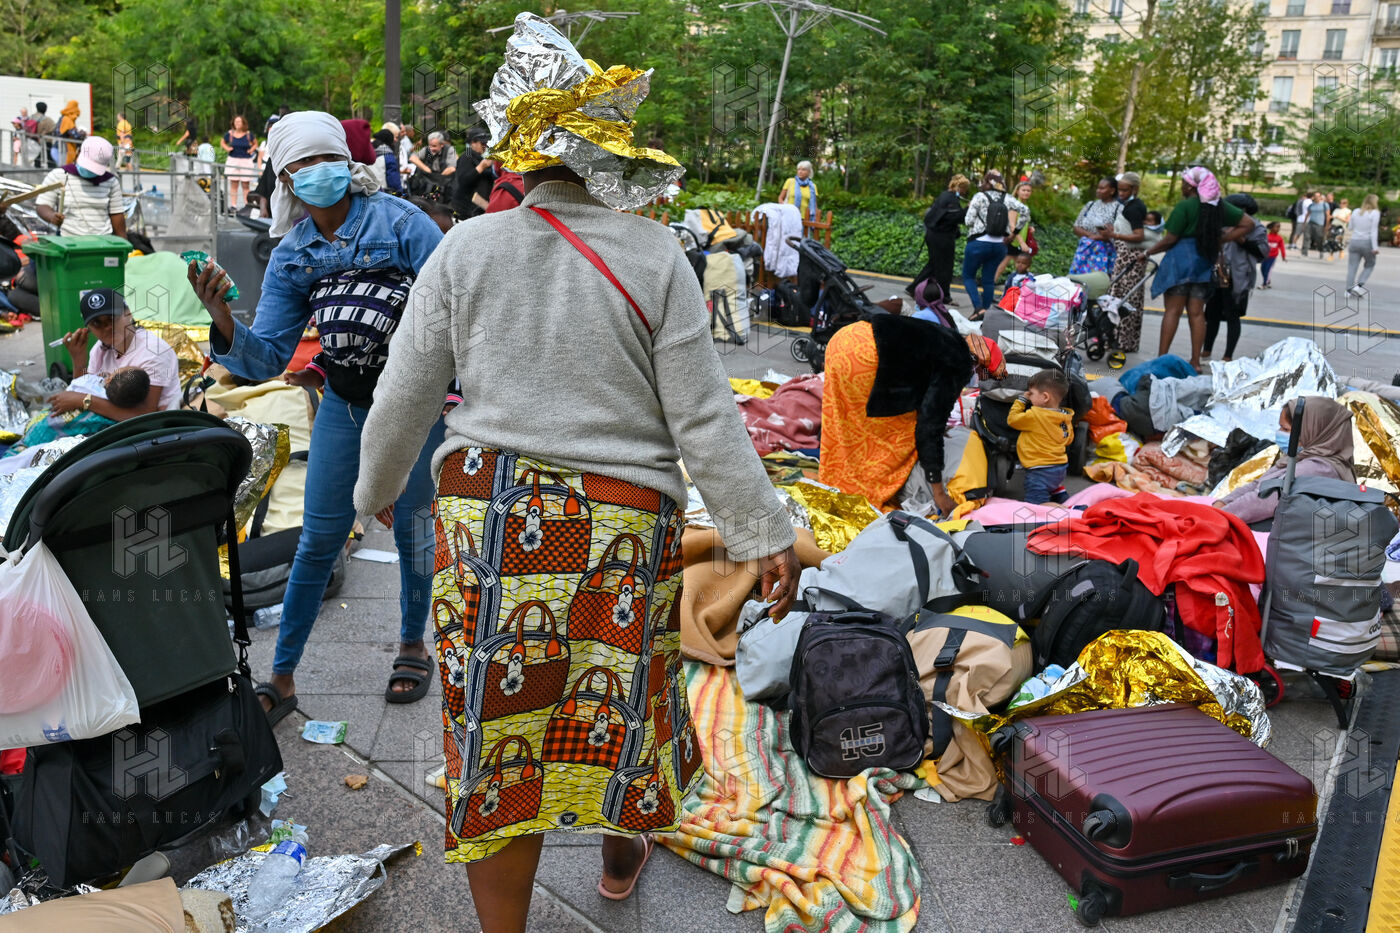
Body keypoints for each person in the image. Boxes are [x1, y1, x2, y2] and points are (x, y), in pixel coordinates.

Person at [351, 18, 799, 926]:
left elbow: (405, 390)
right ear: (611, 156)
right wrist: (763, 533)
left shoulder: (467, 247)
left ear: (519, 159)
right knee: (618, 711)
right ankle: (619, 861)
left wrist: (376, 489)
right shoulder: (655, 254)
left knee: (499, 740)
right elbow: (703, 415)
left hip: (491, 522)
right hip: (620, 530)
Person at [187, 111, 448, 722]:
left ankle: (412, 645)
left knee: (412, 530)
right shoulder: (292, 254)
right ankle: (282, 677)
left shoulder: (401, 223)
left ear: (346, 163)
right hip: (344, 406)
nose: (315, 172)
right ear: (285, 179)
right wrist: (221, 315)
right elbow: (266, 358)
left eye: (325, 158)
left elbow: (454, 309)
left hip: (414, 406)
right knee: (318, 539)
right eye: (300, 164)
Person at [821, 314, 1005, 516]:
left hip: (845, 339)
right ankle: (864, 491)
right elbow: (929, 428)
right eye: (983, 375)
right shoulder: (958, 363)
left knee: (850, 423)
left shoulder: (949, 338)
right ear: (978, 364)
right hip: (866, 358)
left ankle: (839, 477)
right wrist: (939, 494)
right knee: (892, 435)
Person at [1144, 167, 1255, 372]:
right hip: (1203, 263)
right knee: (1197, 314)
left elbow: (1170, 239)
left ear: (1190, 186)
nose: (1181, 186)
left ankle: (1161, 359)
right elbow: (1248, 223)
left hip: (1179, 263)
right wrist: (1221, 239)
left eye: (1183, 183)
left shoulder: (1185, 206)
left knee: (1173, 311)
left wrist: (1147, 252)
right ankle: (1195, 362)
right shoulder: (1218, 206)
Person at [1218, 397, 1353, 524]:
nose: (1279, 432)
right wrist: (1224, 502)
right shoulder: (1298, 459)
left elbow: (1264, 500)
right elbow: (1259, 484)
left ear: (1312, 431)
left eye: (1286, 429)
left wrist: (1219, 515)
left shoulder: (1317, 468)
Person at [54, 288, 179, 415]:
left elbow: (145, 412)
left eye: (112, 318)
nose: (108, 327)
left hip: (157, 423)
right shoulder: (100, 349)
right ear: (89, 329)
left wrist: (83, 400)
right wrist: (78, 360)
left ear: (128, 313)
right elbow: (84, 388)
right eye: (97, 323)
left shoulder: (154, 350)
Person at [1202, 192, 1267, 363]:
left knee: (1233, 316)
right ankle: (1206, 352)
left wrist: (1241, 239)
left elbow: (1262, 252)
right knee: (1211, 314)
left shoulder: (1256, 227)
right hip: (1216, 274)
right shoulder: (1221, 224)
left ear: (1244, 210)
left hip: (1238, 277)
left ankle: (1227, 356)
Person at [961, 170, 1027, 320]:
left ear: (987, 182)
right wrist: (1014, 232)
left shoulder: (979, 197)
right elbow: (1025, 212)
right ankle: (986, 313)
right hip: (999, 245)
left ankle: (978, 309)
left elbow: (968, 221)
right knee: (989, 280)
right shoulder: (1008, 198)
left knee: (968, 276)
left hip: (978, 243)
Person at [34, 136, 126, 237]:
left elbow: (116, 214)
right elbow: (42, 205)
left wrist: (123, 242)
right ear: (78, 153)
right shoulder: (59, 175)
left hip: (103, 240)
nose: (90, 170)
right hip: (68, 239)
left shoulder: (111, 181)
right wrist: (51, 216)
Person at [1008, 369, 1073, 505]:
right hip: (1060, 468)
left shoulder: (1035, 416)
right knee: (1053, 488)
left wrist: (1021, 400)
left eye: (1031, 393)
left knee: (1036, 504)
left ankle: (1070, 511)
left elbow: (1012, 420)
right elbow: (1068, 439)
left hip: (1040, 470)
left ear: (1045, 397)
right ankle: (1064, 499)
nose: (1029, 396)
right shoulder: (1065, 417)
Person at [911, 173, 969, 304]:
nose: (965, 192)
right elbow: (955, 218)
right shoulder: (951, 199)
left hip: (934, 234)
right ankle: (944, 296)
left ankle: (914, 288)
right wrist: (967, 209)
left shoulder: (944, 196)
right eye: (965, 189)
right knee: (945, 267)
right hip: (942, 237)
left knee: (935, 264)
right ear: (961, 187)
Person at [1068, 177, 1122, 275]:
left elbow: (1119, 234)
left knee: (1097, 280)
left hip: (1104, 254)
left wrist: (1100, 237)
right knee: (1078, 280)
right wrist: (1090, 235)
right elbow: (1076, 226)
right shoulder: (1090, 205)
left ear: (1112, 191)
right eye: (1098, 188)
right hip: (1084, 252)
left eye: (1102, 188)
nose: (1098, 190)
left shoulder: (1118, 208)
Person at [994, 181, 1037, 285]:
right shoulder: (1014, 206)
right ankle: (989, 287)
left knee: (1020, 266)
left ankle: (1018, 288)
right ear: (1017, 191)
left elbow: (1021, 224)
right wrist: (1022, 243)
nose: (1026, 192)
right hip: (1013, 240)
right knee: (1004, 265)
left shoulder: (1024, 205)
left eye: (1028, 191)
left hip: (1019, 241)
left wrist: (1029, 228)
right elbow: (1012, 226)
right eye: (1023, 190)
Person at [449, 126, 496, 220]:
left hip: (477, 210)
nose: (485, 146)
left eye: (486, 143)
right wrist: (481, 167)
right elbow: (463, 181)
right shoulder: (466, 157)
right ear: (472, 143)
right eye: (482, 143)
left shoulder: (479, 158)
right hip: (465, 212)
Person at [1346, 194, 1382, 297]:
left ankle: (1348, 290)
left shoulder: (1356, 211)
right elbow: (1374, 231)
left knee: (1352, 267)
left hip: (1354, 241)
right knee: (1370, 264)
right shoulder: (1375, 213)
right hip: (1367, 242)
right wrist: (1375, 247)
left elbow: (1350, 227)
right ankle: (1359, 286)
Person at [221, 115, 258, 210]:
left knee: (245, 185)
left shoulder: (248, 134)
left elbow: (255, 144)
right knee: (234, 184)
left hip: (246, 161)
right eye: (236, 122)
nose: (237, 123)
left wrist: (251, 150)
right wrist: (227, 148)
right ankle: (233, 205)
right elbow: (222, 142)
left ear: (243, 123)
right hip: (233, 160)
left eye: (239, 122)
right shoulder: (230, 134)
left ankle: (247, 205)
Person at [409, 131, 456, 200]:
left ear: (442, 145)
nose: (431, 149)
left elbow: (452, 168)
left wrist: (438, 177)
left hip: (443, 182)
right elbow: (412, 158)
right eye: (430, 145)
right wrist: (425, 168)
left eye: (434, 146)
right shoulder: (427, 150)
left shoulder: (449, 150)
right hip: (427, 182)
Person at [371, 129, 402, 194]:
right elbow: (393, 180)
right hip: (382, 193)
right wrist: (400, 192)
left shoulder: (368, 152)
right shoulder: (388, 156)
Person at [1301, 191, 1329, 257]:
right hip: (1311, 223)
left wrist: (1327, 225)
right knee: (1306, 237)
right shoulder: (1311, 205)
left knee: (1319, 238)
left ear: (1320, 197)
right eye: (1315, 196)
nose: (1317, 198)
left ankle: (1321, 250)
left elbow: (1327, 215)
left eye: (1318, 196)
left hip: (1319, 224)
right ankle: (1304, 252)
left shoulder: (1324, 205)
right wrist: (1304, 223)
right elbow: (1307, 214)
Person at [1262, 221, 1286, 288]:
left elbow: (1282, 247)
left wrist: (1283, 256)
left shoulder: (1279, 238)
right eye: (1277, 227)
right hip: (1265, 256)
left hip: (1273, 257)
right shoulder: (1266, 237)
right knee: (1262, 269)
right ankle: (1267, 280)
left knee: (1268, 269)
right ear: (1271, 228)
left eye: (1279, 227)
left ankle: (1264, 284)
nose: (1278, 229)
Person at [32, 102, 54, 168]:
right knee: (49, 155)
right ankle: (50, 168)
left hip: (33, 140)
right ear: (45, 109)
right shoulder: (48, 120)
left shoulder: (31, 117)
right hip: (46, 140)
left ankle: (36, 167)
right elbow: (53, 128)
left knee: (36, 156)